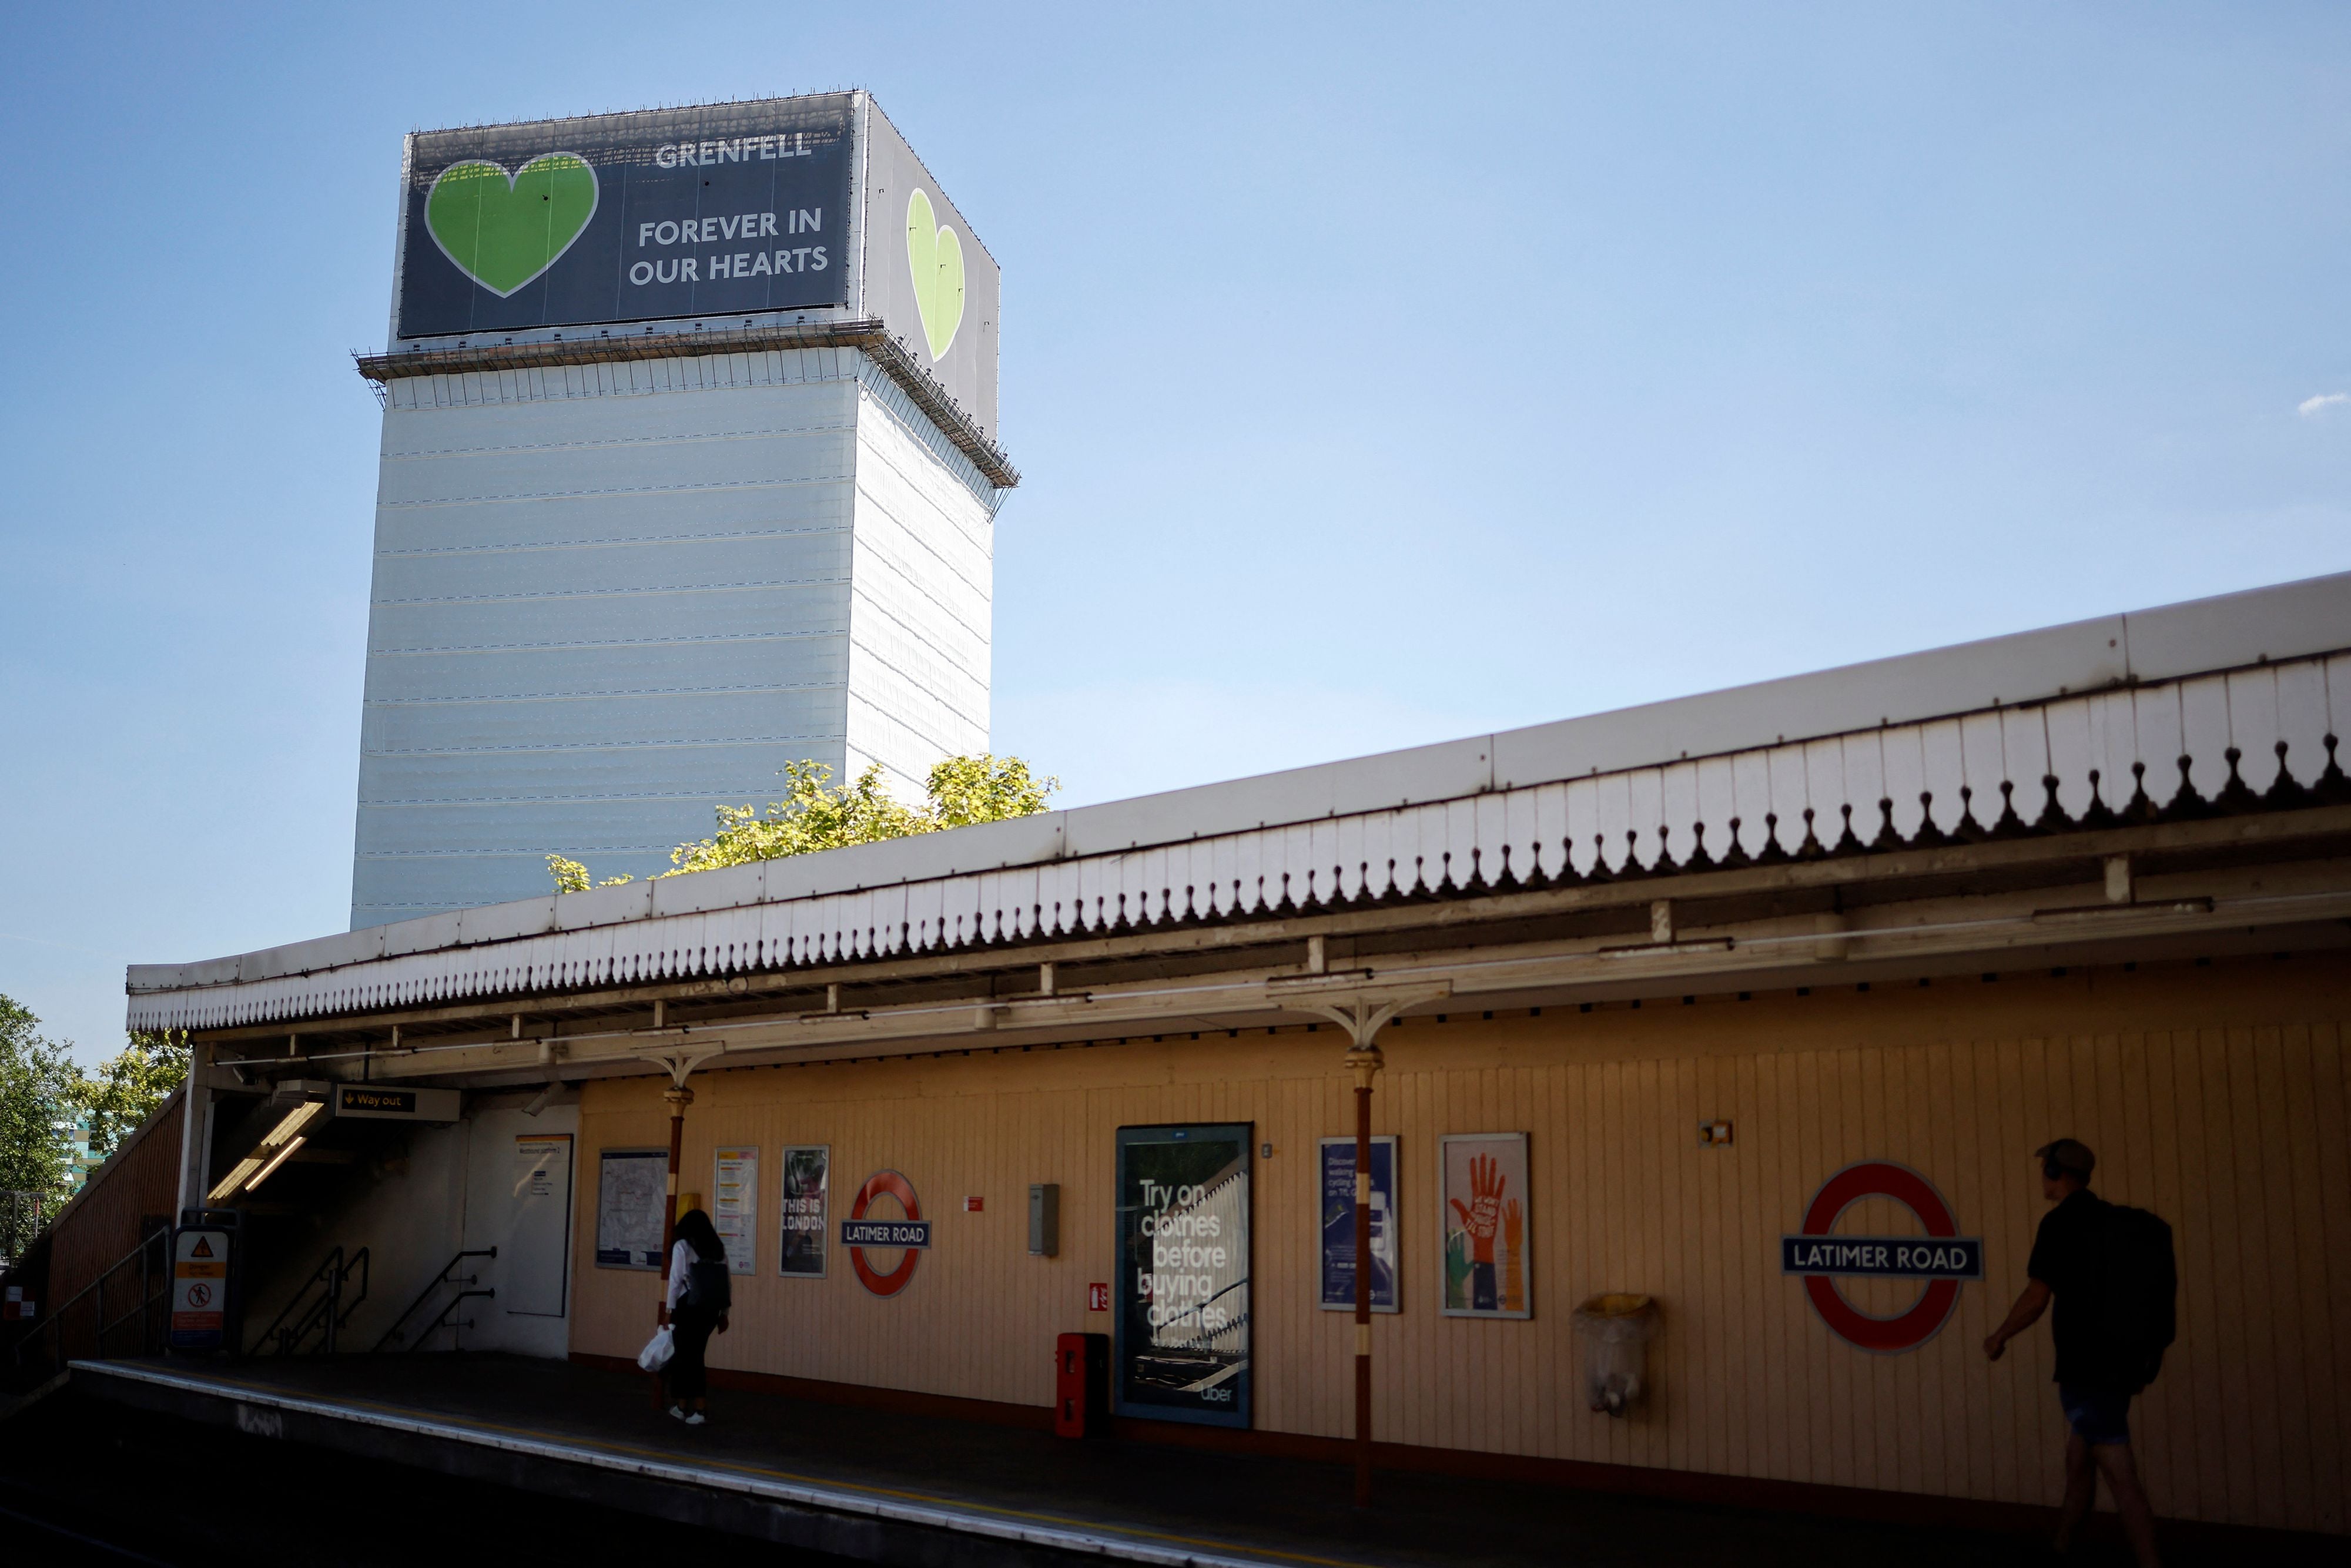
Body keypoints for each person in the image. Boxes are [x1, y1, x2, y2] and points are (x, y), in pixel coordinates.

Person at [1982, 1138, 2162, 1567]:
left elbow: (2037, 1296)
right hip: (2120, 1364)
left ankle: (2152, 1562)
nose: (2040, 1173)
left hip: (2087, 1368)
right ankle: (2062, 1545)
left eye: (2045, 1166)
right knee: (2079, 1457)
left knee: (2120, 1475)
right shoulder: (2115, 1222)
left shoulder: (2059, 1226)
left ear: (2056, 1173)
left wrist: (2000, 1336)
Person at [659, 1208, 731, 1425]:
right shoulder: (718, 1248)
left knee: (685, 1357)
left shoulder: (683, 1246)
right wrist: (724, 1314)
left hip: (687, 1307)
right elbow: (726, 1282)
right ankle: (687, 1407)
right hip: (710, 1310)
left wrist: (669, 1310)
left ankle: (693, 1408)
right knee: (695, 1355)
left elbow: (675, 1280)